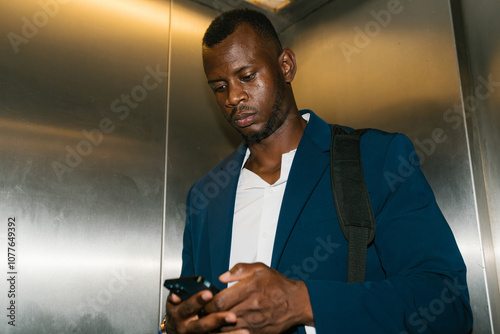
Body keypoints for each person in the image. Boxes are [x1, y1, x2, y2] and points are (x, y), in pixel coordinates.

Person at [163, 8, 473, 334]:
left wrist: (304, 303)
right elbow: (192, 312)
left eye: (247, 76)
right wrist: (173, 328)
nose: (233, 97)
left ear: (286, 66)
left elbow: (447, 305)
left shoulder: (376, 160)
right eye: (219, 86)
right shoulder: (205, 197)